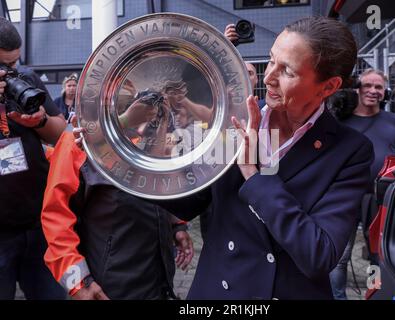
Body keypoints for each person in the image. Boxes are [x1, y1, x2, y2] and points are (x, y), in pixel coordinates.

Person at [156, 16, 374, 299]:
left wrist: (253, 174)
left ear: (329, 86)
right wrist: (149, 160)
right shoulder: (237, 120)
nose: (268, 77)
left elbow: (318, 255)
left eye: (287, 71)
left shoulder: (350, 150)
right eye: (271, 60)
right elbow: (189, 202)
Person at [41, 122, 194, 300]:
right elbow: (56, 217)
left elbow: (160, 184)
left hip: (159, 277)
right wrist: (79, 283)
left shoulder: (153, 123)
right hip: (111, 286)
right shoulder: (77, 135)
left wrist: (177, 225)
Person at [329, 68, 395, 300]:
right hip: (345, 196)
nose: (372, 91)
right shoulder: (340, 121)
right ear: (358, 89)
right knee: (338, 256)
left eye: (378, 87)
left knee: (376, 255)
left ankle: (373, 295)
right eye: (367, 85)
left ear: (384, 92)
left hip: (381, 198)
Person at [0, 17, 67, 299]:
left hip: (38, 224)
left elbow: (61, 133)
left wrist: (40, 122)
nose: (11, 72)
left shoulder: (25, 78)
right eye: (4, 66)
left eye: (15, 63)